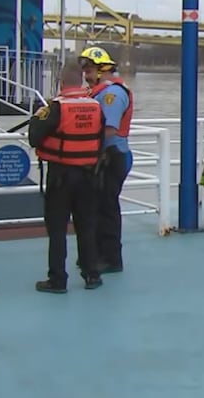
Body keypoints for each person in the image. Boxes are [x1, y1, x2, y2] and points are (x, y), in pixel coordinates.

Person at [28, 63, 104, 293]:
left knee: (58, 228)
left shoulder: (55, 107)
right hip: (89, 174)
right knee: (87, 225)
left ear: (61, 83)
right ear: (80, 82)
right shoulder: (96, 106)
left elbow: (34, 137)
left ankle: (57, 279)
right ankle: (92, 274)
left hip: (61, 174)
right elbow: (100, 137)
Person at [78, 46, 132, 274]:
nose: (86, 75)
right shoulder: (97, 92)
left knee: (107, 207)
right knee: (97, 206)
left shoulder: (112, 94)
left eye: (89, 69)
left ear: (102, 69)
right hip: (103, 156)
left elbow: (109, 129)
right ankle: (97, 253)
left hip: (112, 157)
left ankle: (111, 258)